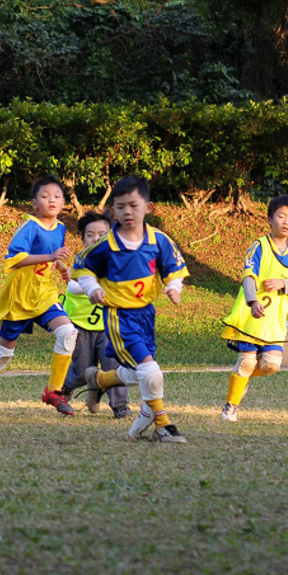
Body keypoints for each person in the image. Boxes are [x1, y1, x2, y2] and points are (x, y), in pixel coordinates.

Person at [78, 176, 191, 443]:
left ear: (148, 207)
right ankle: (163, 425)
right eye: (120, 207)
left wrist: (175, 288)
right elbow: (83, 265)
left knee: (143, 371)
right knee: (150, 370)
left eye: (133, 205)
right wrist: (93, 288)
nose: (127, 212)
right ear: (113, 211)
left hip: (146, 314)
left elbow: (174, 269)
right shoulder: (107, 244)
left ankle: (101, 381)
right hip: (119, 316)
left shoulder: (159, 240)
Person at [0, 176, 77, 425]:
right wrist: (50, 255)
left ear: (63, 203)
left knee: (68, 333)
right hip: (19, 297)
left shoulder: (60, 228)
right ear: (34, 202)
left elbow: (52, 257)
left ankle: (54, 390)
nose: (51, 200)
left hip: (44, 294)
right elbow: (14, 259)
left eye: (57, 196)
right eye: (45, 196)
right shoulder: (29, 226)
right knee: (5, 352)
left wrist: (60, 266)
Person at [218, 195, 288, 422]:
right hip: (253, 316)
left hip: (275, 321)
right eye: (281, 216)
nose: (286, 221)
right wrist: (252, 301)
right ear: (269, 219)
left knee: (270, 365)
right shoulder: (259, 246)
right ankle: (230, 407)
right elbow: (248, 276)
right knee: (248, 361)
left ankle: (242, 377)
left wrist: (283, 284)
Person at [60, 211, 131, 418]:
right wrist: (97, 285)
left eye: (102, 234)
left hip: (110, 325)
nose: (96, 238)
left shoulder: (119, 260)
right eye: (90, 235)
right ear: (83, 239)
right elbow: (73, 287)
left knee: (113, 365)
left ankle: (120, 406)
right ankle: (66, 387)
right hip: (80, 326)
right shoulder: (83, 259)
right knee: (83, 369)